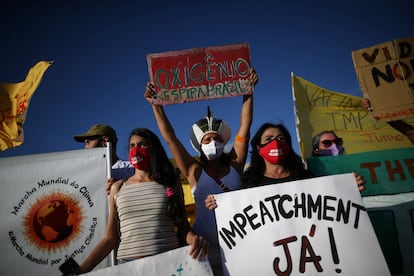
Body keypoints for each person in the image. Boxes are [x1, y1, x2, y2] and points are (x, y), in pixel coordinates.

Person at [144, 68, 258, 276]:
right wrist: (156, 106)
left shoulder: (235, 163)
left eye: (217, 139)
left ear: (224, 143)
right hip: (203, 249)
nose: (212, 142)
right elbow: (171, 139)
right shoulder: (193, 170)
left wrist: (248, 92)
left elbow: (245, 126)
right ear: (199, 145)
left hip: (240, 245)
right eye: (207, 139)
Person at [71, 128, 208, 274]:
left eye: (142, 145)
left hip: (168, 264)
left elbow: (183, 228)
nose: (136, 150)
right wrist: (79, 270)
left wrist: (194, 239)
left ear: (153, 149)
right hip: (128, 267)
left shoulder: (170, 183)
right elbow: (110, 238)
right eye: (132, 146)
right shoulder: (117, 187)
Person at [205, 123, 365, 210]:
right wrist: (217, 203)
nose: (275, 142)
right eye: (268, 139)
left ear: (288, 146)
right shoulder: (249, 184)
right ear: (259, 148)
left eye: (281, 138)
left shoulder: (307, 177)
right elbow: (235, 208)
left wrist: (349, 187)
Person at [74, 124, 134, 191]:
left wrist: (121, 187)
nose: (85, 148)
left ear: (104, 141)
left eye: (88, 142)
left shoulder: (132, 169)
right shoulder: (86, 175)